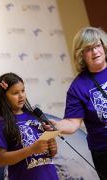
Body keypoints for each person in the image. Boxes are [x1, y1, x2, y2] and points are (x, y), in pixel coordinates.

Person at [46, 27, 107, 180]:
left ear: (104, 46)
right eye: (88, 49)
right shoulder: (78, 87)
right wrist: (57, 126)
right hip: (104, 151)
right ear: (81, 55)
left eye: (97, 46)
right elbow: (73, 123)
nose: (95, 52)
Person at [0, 72, 59, 180]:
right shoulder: (0, 123)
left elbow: (50, 154)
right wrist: (31, 149)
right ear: (4, 97)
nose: (21, 95)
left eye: (23, 90)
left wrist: (52, 145)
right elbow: (1, 159)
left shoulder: (35, 116)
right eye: (15, 93)